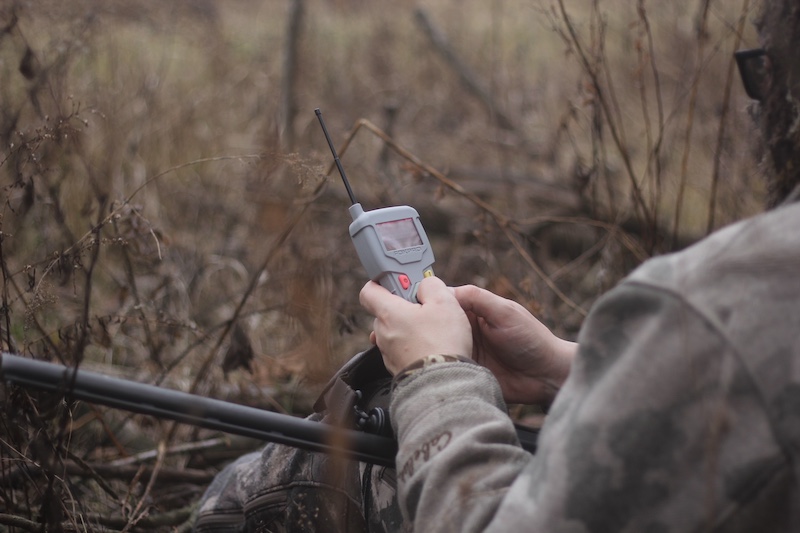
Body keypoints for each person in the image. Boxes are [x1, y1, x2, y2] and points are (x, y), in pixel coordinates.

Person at [194, 4, 800, 531]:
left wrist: (437, 377)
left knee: (262, 492)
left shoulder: (720, 299)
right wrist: (569, 370)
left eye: (763, 74)